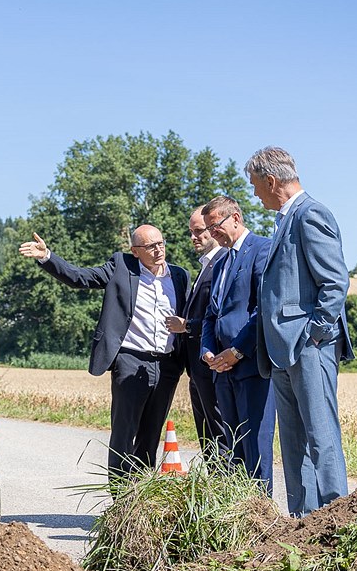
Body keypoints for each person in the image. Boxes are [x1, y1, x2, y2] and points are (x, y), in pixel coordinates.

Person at [19, 225, 189, 484]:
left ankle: (142, 495)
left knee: (151, 433)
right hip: (131, 359)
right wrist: (47, 257)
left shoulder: (179, 275)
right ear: (135, 251)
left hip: (166, 365)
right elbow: (80, 277)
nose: (158, 250)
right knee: (124, 432)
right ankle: (120, 496)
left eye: (161, 243)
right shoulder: (121, 266)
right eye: (150, 246)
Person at [249, 146, 354, 516]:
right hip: (281, 349)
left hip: (309, 346)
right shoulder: (283, 219)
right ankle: (303, 523)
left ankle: (336, 520)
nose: (254, 193)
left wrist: (315, 334)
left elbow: (335, 282)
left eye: (255, 185)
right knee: (293, 445)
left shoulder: (311, 214)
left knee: (321, 438)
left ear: (271, 180)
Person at [195, 196, 276, 493]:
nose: (210, 234)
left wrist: (238, 350)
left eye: (214, 226)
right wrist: (207, 350)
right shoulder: (221, 262)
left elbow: (263, 310)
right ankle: (237, 516)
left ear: (236, 219)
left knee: (255, 446)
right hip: (221, 370)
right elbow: (210, 314)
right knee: (231, 447)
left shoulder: (263, 250)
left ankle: (260, 518)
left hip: (251, 366)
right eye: (208, 228)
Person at [164, 207, 227, 457]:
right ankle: (214, 487)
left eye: (199, 231)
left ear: (214, 229)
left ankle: (226, 488)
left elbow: (221, 317)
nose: (194, 237)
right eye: (191, 232)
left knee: (219, 434)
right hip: (196, 368)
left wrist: (187, 325)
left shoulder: (223, 262)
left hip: (212, 365)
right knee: (207, 437)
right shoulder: (205, 266)